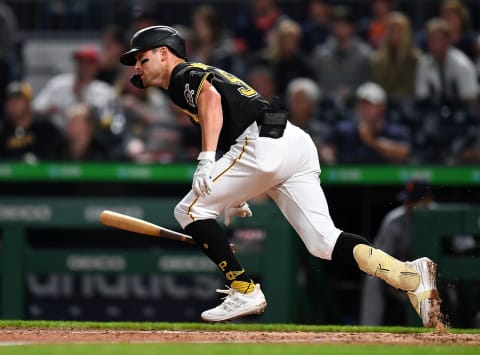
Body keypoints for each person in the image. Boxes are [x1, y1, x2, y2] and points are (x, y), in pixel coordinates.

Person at [119, 25, 441, 326]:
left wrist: (205, 161)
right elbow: (229, 116)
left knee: (188, 210)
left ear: (164, 53)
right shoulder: (196, 75)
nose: (137, 67)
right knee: (323, 242)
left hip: (261, 143)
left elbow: (211, 100)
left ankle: (244, 288)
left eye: (142, 58)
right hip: (293, 143)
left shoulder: (182, 75)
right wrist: (237, 192)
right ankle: (408, 276)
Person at [360, 179, 435, 325]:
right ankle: (369, 330)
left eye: (415, 201)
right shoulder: (395, 220)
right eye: (409, 200)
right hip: (404, 273)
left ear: (429, 199)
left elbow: (461, 249)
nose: (409, 205)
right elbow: (378, 260)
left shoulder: (442, 217)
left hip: (435, 274)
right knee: (372, 278)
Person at [319, 82, 411, 165]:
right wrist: (327, 154)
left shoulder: (396, 131)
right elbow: (327, 148)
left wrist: (371, 141)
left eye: (370, 104)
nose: (364, 108)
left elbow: (405, 153)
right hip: (347, 182)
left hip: (388, 183)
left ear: (382, 107)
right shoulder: (343, 130)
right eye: (361, 104)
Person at [312, 5, 372, 108]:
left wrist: (352, 92)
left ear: (352, 27)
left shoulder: (365, 54)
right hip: (325, 106)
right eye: (336, 24)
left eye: (344, 24)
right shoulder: (321, 54)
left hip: (356, 106)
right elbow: (314, 83)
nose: (340, 28)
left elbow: (369, 85)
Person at [0, 81, 64, 161]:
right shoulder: (3, 132)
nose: (13, 104)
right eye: (10, 100)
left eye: (18, 99)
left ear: (28, 102)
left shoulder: (46, 130)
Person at [370, 12, 421, 106]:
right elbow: (376, 88)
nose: (395, 33)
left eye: (399, 30)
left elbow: (412, 88)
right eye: (392, 29)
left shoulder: (415, 59)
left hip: (408, 105)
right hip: (382, 106)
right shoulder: (378, 60)